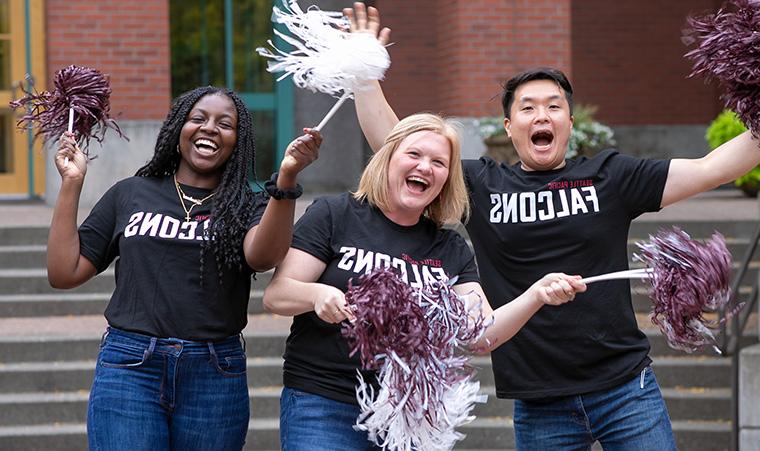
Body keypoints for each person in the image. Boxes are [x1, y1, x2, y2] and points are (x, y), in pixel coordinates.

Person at [346, 3, 760, 450]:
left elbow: (712, 168)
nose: (541, 116)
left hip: (625, 389)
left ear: (569, 123)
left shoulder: (611, 177)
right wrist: (365, 75)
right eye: (527, 108)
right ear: (510, 126)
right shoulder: (482, 185)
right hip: (541, 402)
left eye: (553, 107)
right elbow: (396, 146)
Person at [262, 112, 586, 451]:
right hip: (324, 403)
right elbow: (278, 295)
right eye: (414, 154)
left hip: (410, 414)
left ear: (447, 178)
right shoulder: (335, 214)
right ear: (388, 158)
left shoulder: (449, 247)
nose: (425, 167)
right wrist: (318, 295)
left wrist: (535, 295)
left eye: (439, 162)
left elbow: (481, 334)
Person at [46, 85, 322, 451]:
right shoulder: (130, 193)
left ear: (237, 142)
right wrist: (71, 184)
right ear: (178, 129)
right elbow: (64, 273)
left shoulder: (249, 203)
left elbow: (264, 257)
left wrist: (286, 180)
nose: (210, 128)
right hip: (130, 366)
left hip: (213, 371)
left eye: (225, 124)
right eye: (198, 119)